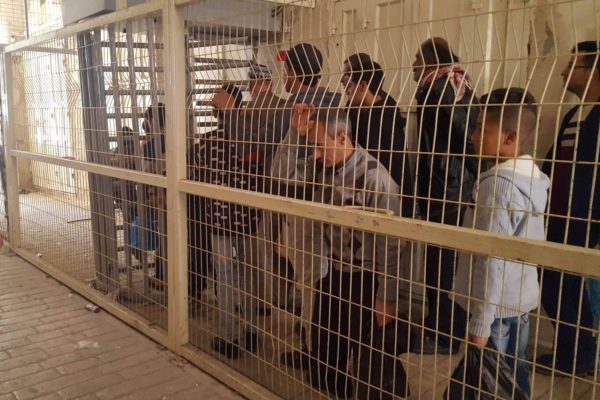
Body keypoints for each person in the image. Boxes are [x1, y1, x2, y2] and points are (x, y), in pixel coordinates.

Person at [289, 103, 405, 399]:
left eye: (318, 145)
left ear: (342, 138)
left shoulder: (375, 178)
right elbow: (281, 176)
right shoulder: (321, 166)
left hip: (365, 278)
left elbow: (391, 246)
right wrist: (294, 133)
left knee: (369, 353)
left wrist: (387, 295)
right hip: (332, 270)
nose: (314, 153)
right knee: (326, 353)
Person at [454, 88, 549, 396]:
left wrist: (481, 323)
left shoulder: (496, 185)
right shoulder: (533, 178)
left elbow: (490, 258)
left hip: (494, 310)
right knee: (512, 373)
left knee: (490, 381)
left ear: (509, 137)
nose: (473, 135)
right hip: (520, 300)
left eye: (483, 128)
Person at [270, 43, 341, 364]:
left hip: (299, 200)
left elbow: (279, 164)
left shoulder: (293, 108)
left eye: (286, 71)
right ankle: (313, 332)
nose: (283, 77)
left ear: (294, 74)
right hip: (335, 198)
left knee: (308, 278)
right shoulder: (338, 101)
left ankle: (313, 347)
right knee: (323, 276)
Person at [412, 37, 479, 355]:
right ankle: (439, 326)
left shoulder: (439, 88)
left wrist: (479, 175)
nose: (412, 65)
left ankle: (445, 336)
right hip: (451, 187)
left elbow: (464, 139)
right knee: (444, 261)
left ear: (429, 61)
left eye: (416, 58)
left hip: (446, 189)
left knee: (442, 263)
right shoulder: (456, 83)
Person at [537, 40, 600, 376]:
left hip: (584, 220)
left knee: (574, 291)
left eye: (572, 65)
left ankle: (581, 357)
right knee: (554, 287)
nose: (562, 72)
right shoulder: (574, 114)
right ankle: (569, 353)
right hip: (556, 219)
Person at [204, 85, 260, 359]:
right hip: (248, 217)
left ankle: (229, 337)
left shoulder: (208, 142)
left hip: (219, 219)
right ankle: (250, 332)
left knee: (225, 278)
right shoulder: (252, 139)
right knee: (248, 274)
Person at [344, 57, 416, 217]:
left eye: (350, 86)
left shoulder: (380, 119)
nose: (347, 91)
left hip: (384, 200)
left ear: (363, 85)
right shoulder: (369, 110)